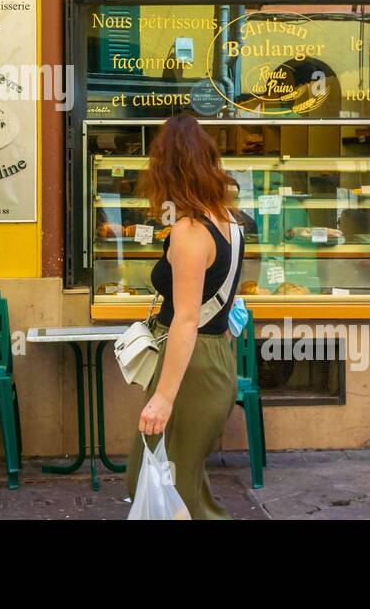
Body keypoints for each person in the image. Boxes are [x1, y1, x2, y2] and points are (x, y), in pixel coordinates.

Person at [126, 113, 242, 519]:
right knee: (176, 479)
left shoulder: (190, 230)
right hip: (211, 360)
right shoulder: (227, 221)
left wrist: (162, 396)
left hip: (191, 365)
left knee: (168, 482)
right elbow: (228, 303)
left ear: (168, 168)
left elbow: (187, 318)